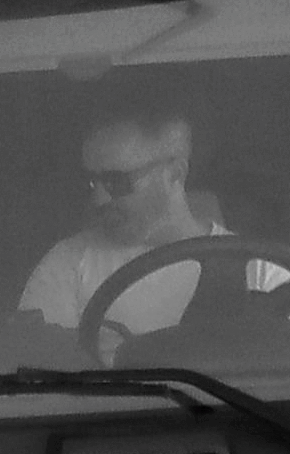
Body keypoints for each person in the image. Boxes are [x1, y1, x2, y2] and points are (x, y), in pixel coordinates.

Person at [22, 107, 230, 347]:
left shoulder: (256, 270)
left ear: (175, 174)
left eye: (117, 182)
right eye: (92, 183)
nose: (100, 198)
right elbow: (42, 367)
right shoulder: (66, 264)